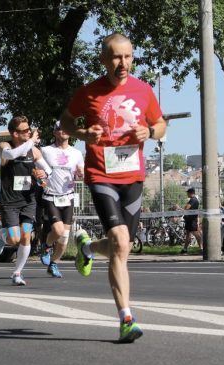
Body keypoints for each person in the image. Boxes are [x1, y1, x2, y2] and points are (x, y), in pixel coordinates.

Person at [60, 33, 167, 343]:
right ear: (104, 60)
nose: (124, 63)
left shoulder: (143, 90)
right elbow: (66, 121)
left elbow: (160, 125)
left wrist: (150, 130)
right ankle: (126, 318)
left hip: (133, 175)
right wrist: (82, 133)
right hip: (102, 173)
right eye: (117, 57)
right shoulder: (89, 92)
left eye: (129, 56)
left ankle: (88, 247)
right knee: (120, 239)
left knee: (122, 247)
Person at [0, 116, 51, 286]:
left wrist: (43, 175)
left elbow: (48, 171)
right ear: (14, 133)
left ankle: (17, 272)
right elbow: (11, 155)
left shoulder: (35, 151)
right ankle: (2, 235)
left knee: (26, 236)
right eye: (25, 130)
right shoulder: (5, 146)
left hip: (28, 200)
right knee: (15, 239)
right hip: (10, 201)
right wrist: (31, 141)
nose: (29, 133)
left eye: (29, 130)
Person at [38, 121, 84, 278]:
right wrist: (40, 178)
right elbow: (36, 170)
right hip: (51, 196)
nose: (62, 131)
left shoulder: (76, 153)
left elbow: (81, 174)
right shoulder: (45, 151)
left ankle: (54, 263)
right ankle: (46, 246)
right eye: (58, 128)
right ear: (54, 133)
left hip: (68, 197)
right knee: (57, 230)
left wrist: (80, 174)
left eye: (65, 128)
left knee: (64, 237)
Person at [182, 187, 203, 254]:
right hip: (189, 220)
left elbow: (186, 207)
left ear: (191, 193)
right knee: (188, 234)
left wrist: (183, 208)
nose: (187, 194)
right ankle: (185, 249)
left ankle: (201, 248)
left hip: (192, 220)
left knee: (196, 234)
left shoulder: (193, 200)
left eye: (188, 192)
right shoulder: (193, 199)